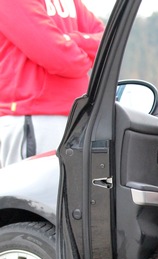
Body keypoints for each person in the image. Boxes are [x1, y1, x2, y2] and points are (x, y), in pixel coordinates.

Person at [0, 0, 104, 168]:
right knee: (35, 193)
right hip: (34, 118)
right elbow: (60, 58)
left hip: (77, 118)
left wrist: (72, 40)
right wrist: (82, 51)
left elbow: (105, 41)